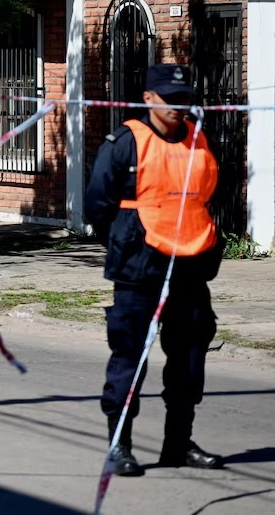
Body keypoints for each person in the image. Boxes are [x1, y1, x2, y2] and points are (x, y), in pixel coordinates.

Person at [85, 63, 225, 477]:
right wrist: (130, 239)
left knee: (189, 359)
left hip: (191, 268)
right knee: (131, 357)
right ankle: (119, 446)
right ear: (148, 99)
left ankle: (178, 445)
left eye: (185, 100)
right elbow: (98, 206)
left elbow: (211, 193)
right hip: (139, 269)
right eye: (171, 100)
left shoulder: (200, 141)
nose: (180, 108)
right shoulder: (125, 143)